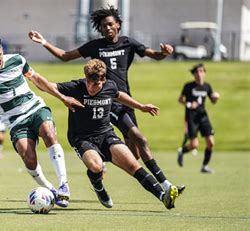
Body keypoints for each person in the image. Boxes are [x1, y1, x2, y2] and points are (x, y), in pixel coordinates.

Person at [28, 5, 184, 194]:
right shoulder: (95, 46)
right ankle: (166, 185)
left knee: (134, 153)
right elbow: (65, 56)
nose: (107, 28)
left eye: (110, 24)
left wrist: (165, 53)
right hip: (107, 105)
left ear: (118, 24)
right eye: (103, 26)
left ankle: (104, 167)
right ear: (100, 29)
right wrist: (44, 42)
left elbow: (155, 55)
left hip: (124, 102)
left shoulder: (128, 43)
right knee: (140, 139)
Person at [0, 33, 84, 207]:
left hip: (35, 108)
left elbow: (38, 80)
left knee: (49, 133)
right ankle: (52, 190)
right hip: (15, 121)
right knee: (28, 157)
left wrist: (63, 98)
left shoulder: (17, 60)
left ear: (2, 50)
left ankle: (63, 185)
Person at [55, 59, 179, 209]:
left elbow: (119, 95)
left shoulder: (110, 86)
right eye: (89, 82)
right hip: (81, 138)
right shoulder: (76, 87)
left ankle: (162, 196)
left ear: (104, 80)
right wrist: (62, 97)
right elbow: (49, 86)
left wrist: (141, 106)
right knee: (96, 166)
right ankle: (98, 187)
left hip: (106, 134)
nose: (91, 87)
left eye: (96, 84)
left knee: (133, 164)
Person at [177, 63, 220, 173]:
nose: (199, 74)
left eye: (201, 71)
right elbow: (180, 100)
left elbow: (213, 101)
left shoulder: (207, 86)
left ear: (204, 73)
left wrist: (216, 98)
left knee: (211, 143)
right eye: (197, 71)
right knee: (194, 145)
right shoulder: (188, 86)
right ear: (194, 74)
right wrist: (189, 104)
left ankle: (204, 166)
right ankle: (182, 151)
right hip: (191, 118)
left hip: (203, 117)